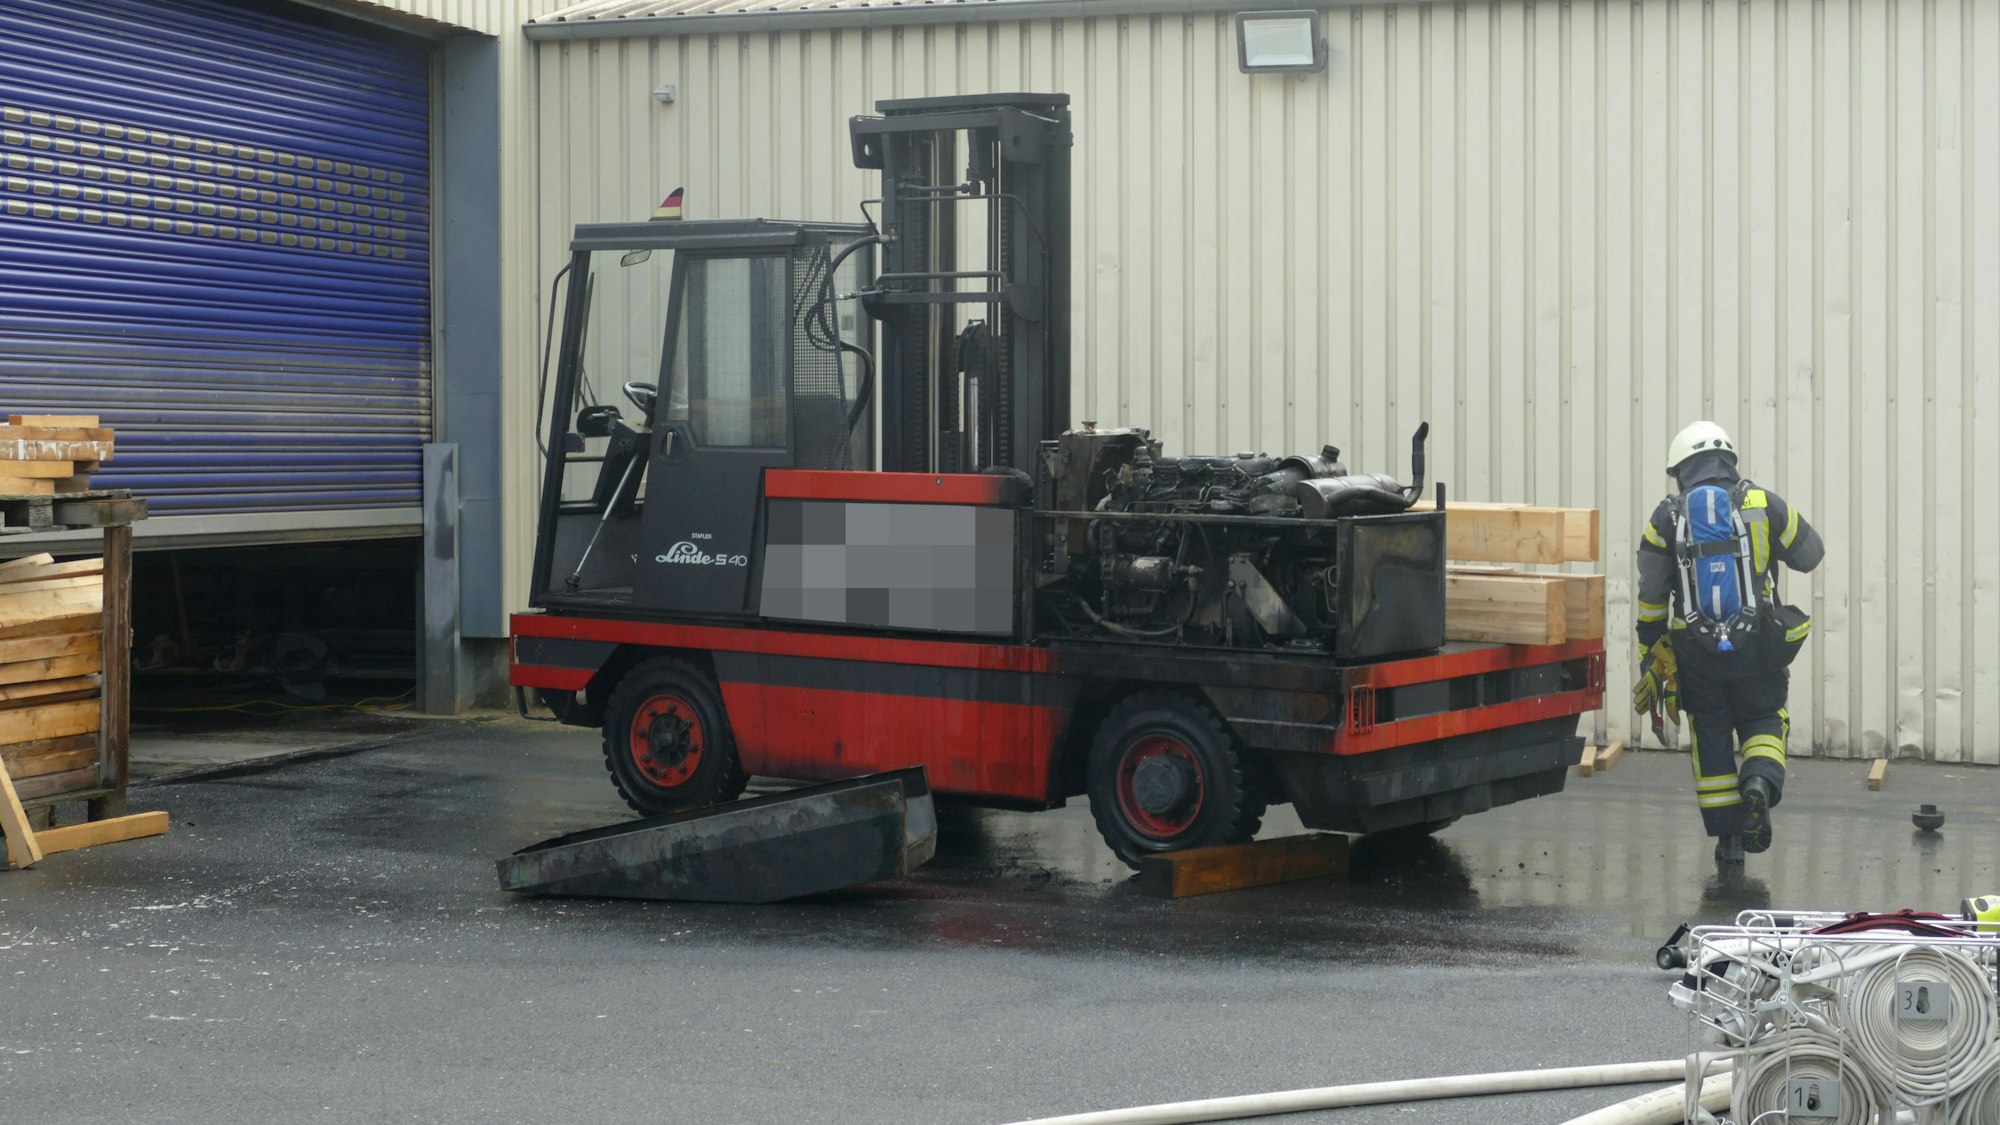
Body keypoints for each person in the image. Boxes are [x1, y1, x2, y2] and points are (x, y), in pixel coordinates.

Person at [1632, 422, 1824, 866]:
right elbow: (1811, 554)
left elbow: (1652, 593)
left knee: (1710, 730)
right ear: (1729, 460)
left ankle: (1729, 841)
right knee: (1763, 717)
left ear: (1681, 468)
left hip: (1693, 650)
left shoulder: (1666, 516)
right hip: (1757, 642)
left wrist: (1650, 652)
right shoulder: (1760, 502)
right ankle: (1758, 781)